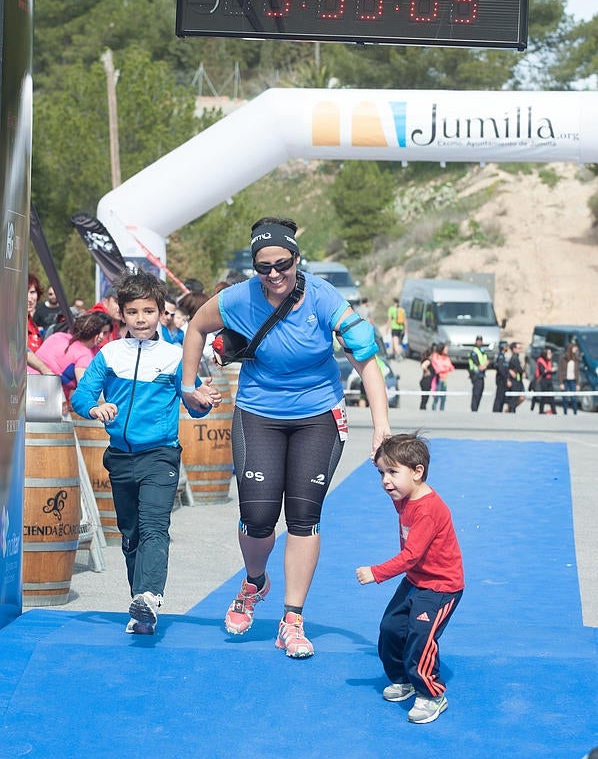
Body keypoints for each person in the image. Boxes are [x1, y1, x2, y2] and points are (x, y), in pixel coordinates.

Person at [181, 216, 391, 658]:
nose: (274, 274)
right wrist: (188, 384)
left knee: (303, 516)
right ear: (254, 266)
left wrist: (382, 425)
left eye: (283, 263)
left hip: (319, 413)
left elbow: (366, 356)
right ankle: (255, 581)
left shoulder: (323, 296)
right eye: (263, 267)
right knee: (257, 517)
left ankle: (292, 619)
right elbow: (196, 327)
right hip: (258, 412)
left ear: (297, 258)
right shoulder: (237, 298)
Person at [71, 270, 221, 636]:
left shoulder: (174, 356)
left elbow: (194, 399)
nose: (141, 319)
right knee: (131, 534)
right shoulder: (110, 354)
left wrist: (204, 402)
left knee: (155, 527)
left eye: (149, 311)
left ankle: (150, 595)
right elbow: (81, 396)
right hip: (120, 457)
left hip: (160, 455)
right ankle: (141, 608)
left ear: (160, 313)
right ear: (121, 313)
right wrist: (94, 409)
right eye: (134, 311)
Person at [356, 433, 464, 725]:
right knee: (390, 627)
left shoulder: (429, 510)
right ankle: (403, 679)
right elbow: (413, 563)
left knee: (421, 639)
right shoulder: (404, 496)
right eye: (381, 473)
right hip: (416, 580)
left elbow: (411, 557)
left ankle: (431, 694)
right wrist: (384, 457)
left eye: (392, 472)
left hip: (440, 587)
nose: (385, 481)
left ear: (418, 472)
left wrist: (376, 572)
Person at [28, 310, 112, 408]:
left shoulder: (58, 336)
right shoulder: (85, 355)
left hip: (28, 384)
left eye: (105, 332)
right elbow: (85, 387)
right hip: (45, 397)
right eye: (100, 332)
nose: (102, 336)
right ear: (93, 330)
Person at [559, 342, 581, 415]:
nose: (576, 350)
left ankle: (575, 412)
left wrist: (578, 383)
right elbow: (560, 371)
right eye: (575, 348)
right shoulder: (563, 358)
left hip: (573, 381)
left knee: (574, 398)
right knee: (565, 398)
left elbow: (577, 372)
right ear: (571, 348)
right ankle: (565, 412)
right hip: (565, 380)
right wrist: (561, 383)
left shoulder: (576, 359)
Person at [430, 342, 454, 411]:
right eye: (445, 349)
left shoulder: (446, 357)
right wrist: (445, 367)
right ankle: (434, 410)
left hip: (444, 379)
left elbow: (451, 367)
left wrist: (445, 367)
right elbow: (438, 368)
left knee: (443, 398)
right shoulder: (435, 356)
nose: (447, 350)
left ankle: (442, 412)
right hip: (438, 379)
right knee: (436, 397)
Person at [468, 335, 489, 412]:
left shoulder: (482, 350)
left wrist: (485, 365)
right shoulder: (474, 351)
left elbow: (487, 360)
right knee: (476, 393)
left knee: (480, 393)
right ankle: (474, 409)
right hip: (476, 374)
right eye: (478, 340)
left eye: (480, 340)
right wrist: (484, 365)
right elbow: (479, 365)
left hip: (481, 375)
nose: (479, 342)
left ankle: (476, 408)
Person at [536, 347, 557, 415]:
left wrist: (549, 370)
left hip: (549, 379)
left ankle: (554, 411)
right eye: (549, 353)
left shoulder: (550, 361)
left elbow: (553, 371)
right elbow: (543, 372)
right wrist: (550, 370)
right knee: (544, 396)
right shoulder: (540, 361)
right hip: (543, 380)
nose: (550, 354)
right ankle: (541, 411)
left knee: (551, 396)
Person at [506, 342, 526, 413]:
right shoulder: (514, 358)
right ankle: (510, 411)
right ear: (513, 349)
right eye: (518, 348)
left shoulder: (517, 357)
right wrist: (522, 368)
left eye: (520, 348)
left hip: (518, 381)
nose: (519, 350)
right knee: (514, 398)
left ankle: (510, 410)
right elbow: (520, 369)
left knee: (520, 397)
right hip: (515, 381)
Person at [492, 341, 510, 413]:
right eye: (506, 346)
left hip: (503, 380)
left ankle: (499, 410)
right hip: (501, 380)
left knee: (502, 396)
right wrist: (506, 379)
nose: (507, 347)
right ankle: (496, 410)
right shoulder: (501, 357)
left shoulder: (503, 356)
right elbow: (501, 369)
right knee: (499, 396)